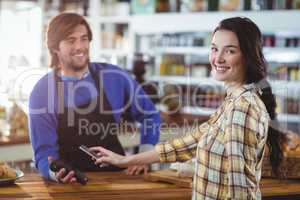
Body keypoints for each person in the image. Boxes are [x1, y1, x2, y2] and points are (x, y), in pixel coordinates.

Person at [90, 17, 284, 199]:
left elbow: (239, 190)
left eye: (230, 51)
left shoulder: (243, 108)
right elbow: (187, 144)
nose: (218, 58)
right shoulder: (232, 102)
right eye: (215, 49)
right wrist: (124, 160)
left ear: (247, 56)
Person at [28, 13, 160, 183]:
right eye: (71, 40)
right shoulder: (42, 92)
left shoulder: (114, 77)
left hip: (118, 180)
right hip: (71, 184)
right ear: (54, 48)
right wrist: (54, 173)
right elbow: (44, 153)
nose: (80, 47)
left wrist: (144, 155)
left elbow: (150, 114)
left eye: (84, 39)